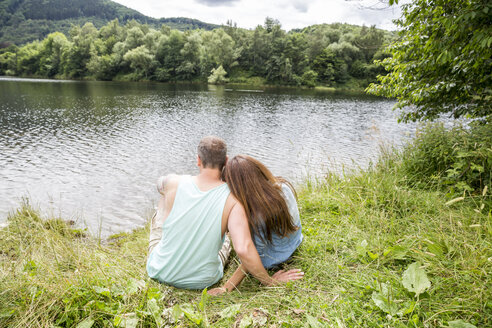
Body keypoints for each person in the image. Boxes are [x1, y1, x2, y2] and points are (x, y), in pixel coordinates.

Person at [146, 137, 303, 290]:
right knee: (227, 230)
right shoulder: (281, 189)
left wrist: (229, 288)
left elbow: (248, 249)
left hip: (159, 270)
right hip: (292, 246)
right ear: (226, 161)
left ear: (198, 160)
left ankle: (169, 238)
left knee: (161, 212)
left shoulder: (174, 182)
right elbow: (248, 246)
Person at [208, 155, 303, 295]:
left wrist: (226, 288)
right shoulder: (283, 188)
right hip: (294, 245)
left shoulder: (255, 215)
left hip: (270, 261)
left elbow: (249, 252)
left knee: (229, 237)